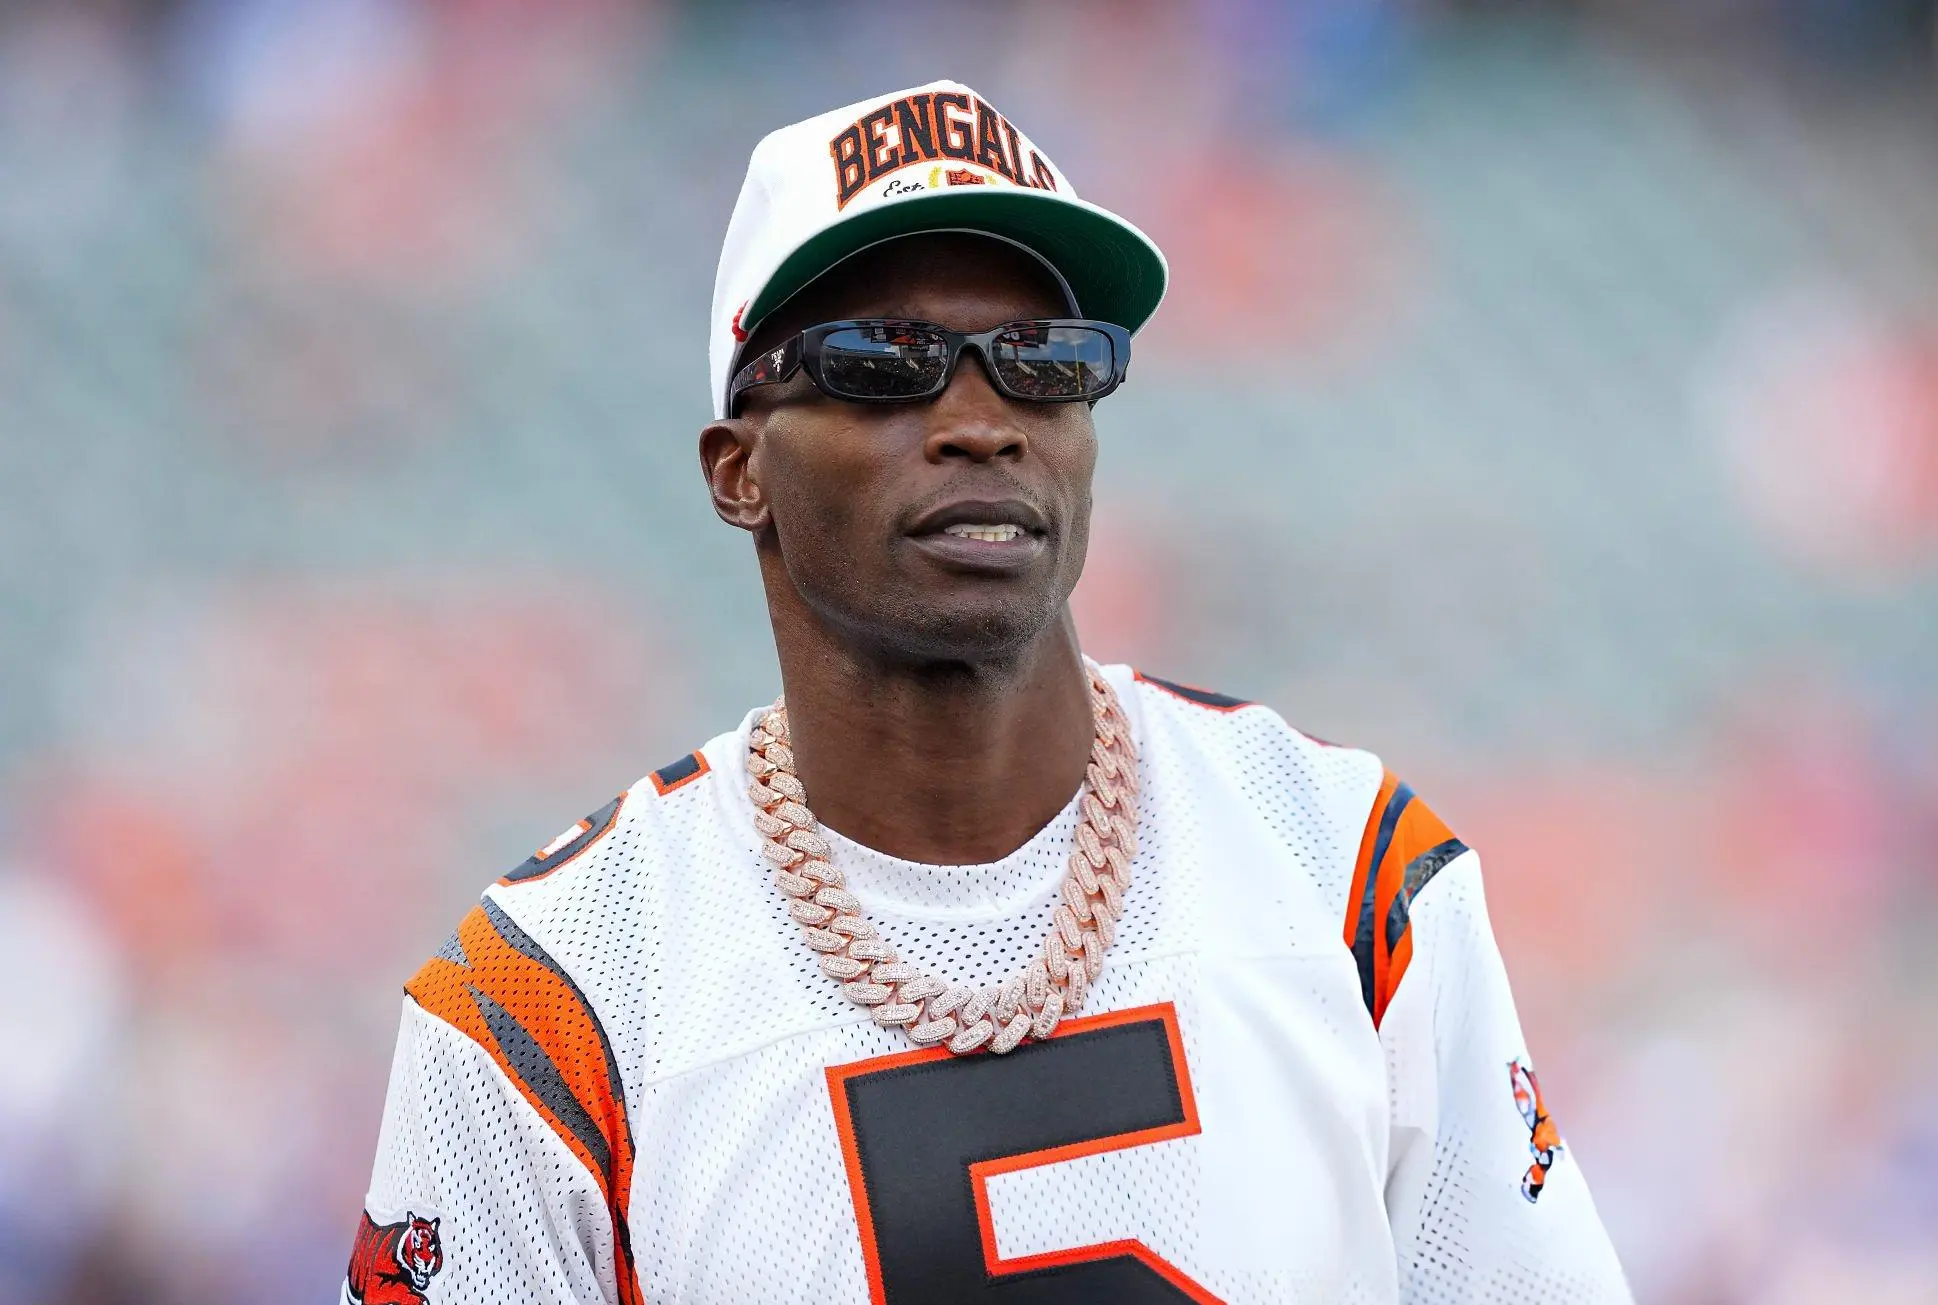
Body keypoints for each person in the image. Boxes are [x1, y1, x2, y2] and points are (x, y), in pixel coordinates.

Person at [348, 79, 1633, 1305]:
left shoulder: (1344, 862)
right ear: (737, 471)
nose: (983, 421)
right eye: (882, 360)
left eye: (1045, 359)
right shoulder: (553, 995)